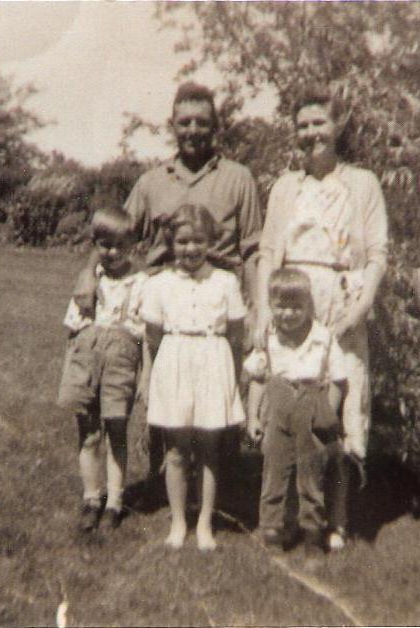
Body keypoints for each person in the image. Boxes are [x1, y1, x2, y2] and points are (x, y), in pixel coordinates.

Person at [73, 82, 262, 498]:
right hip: (163, 302)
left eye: (202, 122)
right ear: (172, 126)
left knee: (221, 390)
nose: (193, 130)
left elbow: (251, 250)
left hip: (218, 297)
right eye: (184, 122)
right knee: (162, 389)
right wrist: (88, 274)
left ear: (215, 127)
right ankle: (164, 480)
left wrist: (256, 310)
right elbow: (116, 233)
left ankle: (221, 481)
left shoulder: (239, 179)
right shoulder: (153, 181)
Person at [256, 86, 388, 547]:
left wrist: (361, 305)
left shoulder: (363, 183)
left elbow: (376, 254)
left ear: (339, 126)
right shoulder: (286, 186)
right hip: (292, 301)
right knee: (292, 406)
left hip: (341, 302)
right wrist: (261, 314)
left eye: (320, 122)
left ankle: (337, 519)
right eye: (303, 125)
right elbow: (269, 252)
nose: (312, 132)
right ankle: (290, 515)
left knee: (339, 407)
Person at [140, 204, 246, 550]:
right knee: (176, 449)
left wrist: (231, 377)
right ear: (171, 243)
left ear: (210, 242)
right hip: (174, 360)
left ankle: (204, 523)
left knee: (209, 450)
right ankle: (178, 521)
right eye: (183, 241)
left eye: (198, 241)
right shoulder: (159, 284)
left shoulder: (225, 281)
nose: (191, 249)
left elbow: (235, 333)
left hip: (213, 361)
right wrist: (153, 374)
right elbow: (153, 336)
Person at [245, 268, 348, 555]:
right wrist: (253, 416)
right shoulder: (267, 339)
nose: (288, 314)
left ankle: (313, 533)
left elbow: (339, 381)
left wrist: (327, 416)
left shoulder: (323, 339)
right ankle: (272, 529)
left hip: (312, 409)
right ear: (270, 306)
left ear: (308, 306)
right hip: (277, 409)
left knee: (311, 473)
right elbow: (257, 379)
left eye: (296, 307)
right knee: (274, 471)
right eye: (281, 306)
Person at [57, 209, 147, 532]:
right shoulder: (88, 283)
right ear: (96, 244)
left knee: (116, 432)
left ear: (132, 246)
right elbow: (73, 331)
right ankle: (92, 498)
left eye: (120, 245)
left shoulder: (139, 283)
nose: (112, 252)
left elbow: (144, 337)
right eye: (105, 245)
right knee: (89, 433)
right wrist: (70, 369)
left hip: (121, 361)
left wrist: (143, 377)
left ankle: (115, 502)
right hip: (86, 357)